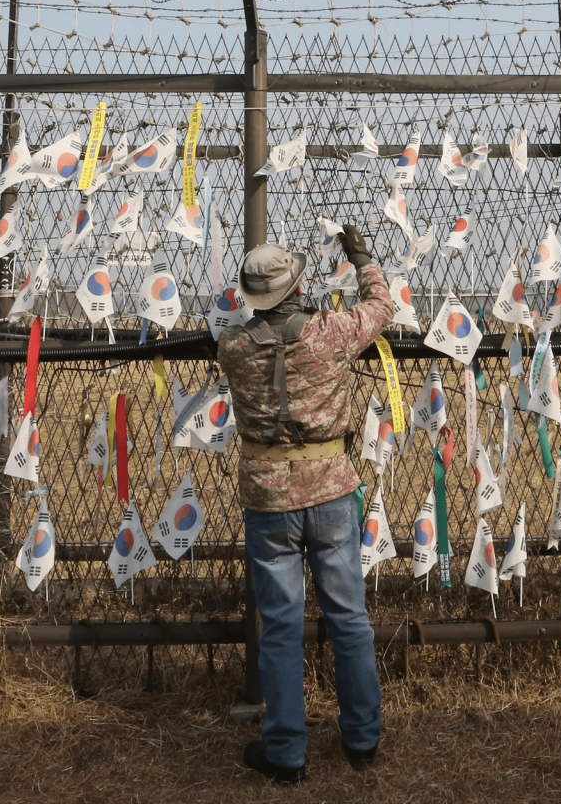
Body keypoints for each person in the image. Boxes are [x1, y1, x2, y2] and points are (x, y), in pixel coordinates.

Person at [216, 226, 395, 784]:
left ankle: (287, 751)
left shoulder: (232, 348)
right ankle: (362, 738)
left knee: (280, 626)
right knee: (349, 618)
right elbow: (382, 305)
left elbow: (251, 338)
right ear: (297, 287)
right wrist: (361, 257)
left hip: (268, 496)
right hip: (332, 487)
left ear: (250, 296)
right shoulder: (331, 334)